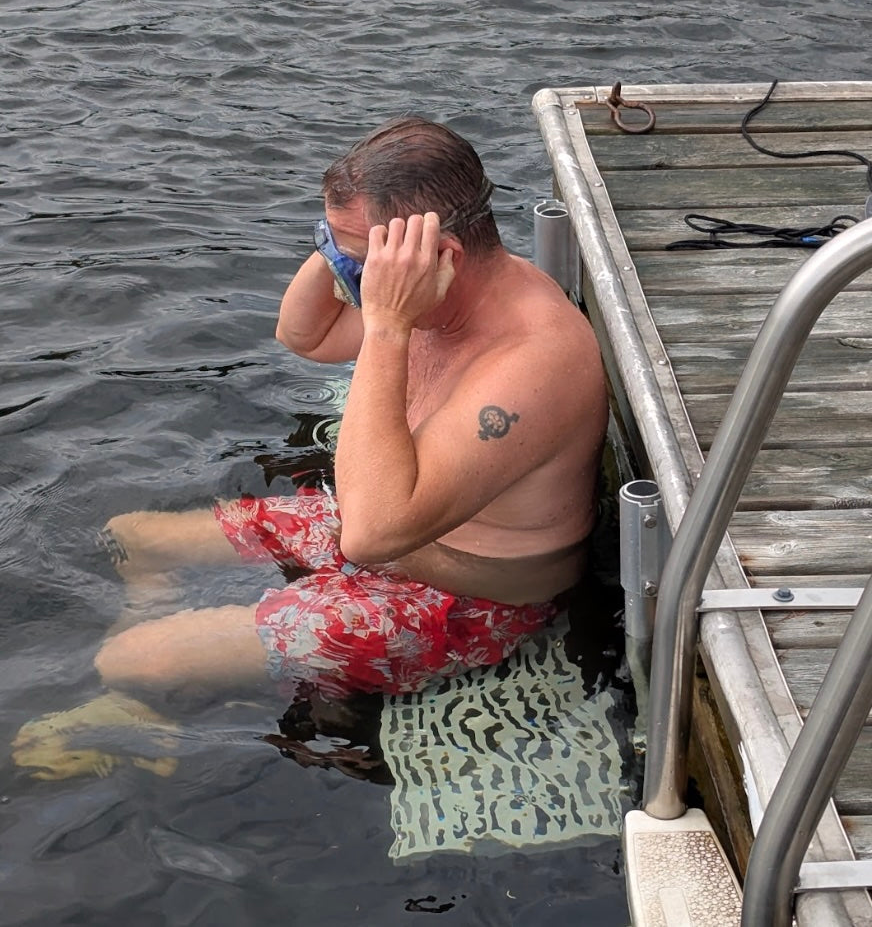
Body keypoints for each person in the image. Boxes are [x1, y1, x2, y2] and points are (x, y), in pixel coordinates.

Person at [92, 116, 609, 704]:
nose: (356, 283)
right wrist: (338, 246)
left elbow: (371, 536)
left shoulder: (533, 361)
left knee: (128, 660)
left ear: (440, 256)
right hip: (381, 533)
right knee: (132, 536)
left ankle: (141, 701)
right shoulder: (437, 292)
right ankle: (150, 681)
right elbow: (304, 336)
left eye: (362, 266)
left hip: (465, 601)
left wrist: (388, 322)